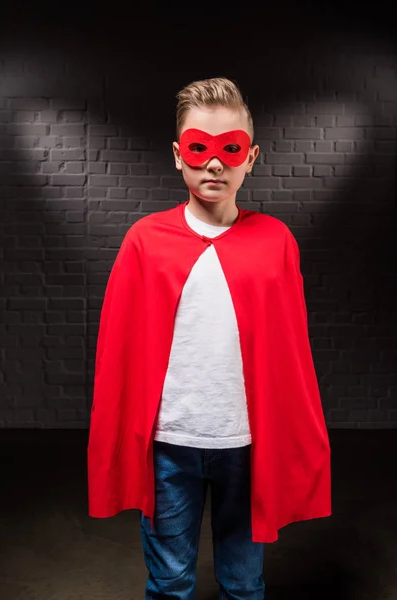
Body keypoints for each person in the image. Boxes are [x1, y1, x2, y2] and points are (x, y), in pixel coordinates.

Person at [87, 77, 332, 600]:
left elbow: (291, 356)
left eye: (230, 149)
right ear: (179, 155)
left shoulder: (275, 241)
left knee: (243, 584)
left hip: (246, 443)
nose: (214, 164)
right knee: (170, 581)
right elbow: (119, 353)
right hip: (170, 443)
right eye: (200, 149)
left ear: (252, 157)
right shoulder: (145, 241)